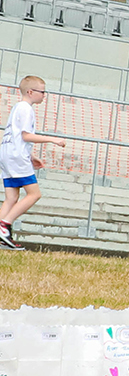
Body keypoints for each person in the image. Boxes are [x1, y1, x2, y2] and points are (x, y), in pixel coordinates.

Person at [0, 75, 64, 250]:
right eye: (41, 92)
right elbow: (26, 135)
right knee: (34, 194)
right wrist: (53, 139)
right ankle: (5, 225)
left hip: (7, 154)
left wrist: (30, 155)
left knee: (11, 197)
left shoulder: (17, 108)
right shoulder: (26, 109)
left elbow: (17, 136)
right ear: (30, 92)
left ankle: (2, 232)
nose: (44, 95)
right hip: (16, 156)